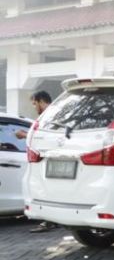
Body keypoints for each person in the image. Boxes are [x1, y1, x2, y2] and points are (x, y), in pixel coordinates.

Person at [17, 91, 57, 233]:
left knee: (47, 190)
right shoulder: (49, 114)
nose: (34, 107)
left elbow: (46, 136)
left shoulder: (52, 114)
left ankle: (49, 221)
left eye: (35, 104)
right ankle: (50, 220)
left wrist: (24, 135)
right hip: (45, 158)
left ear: (41, 101)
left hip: (50, 158)